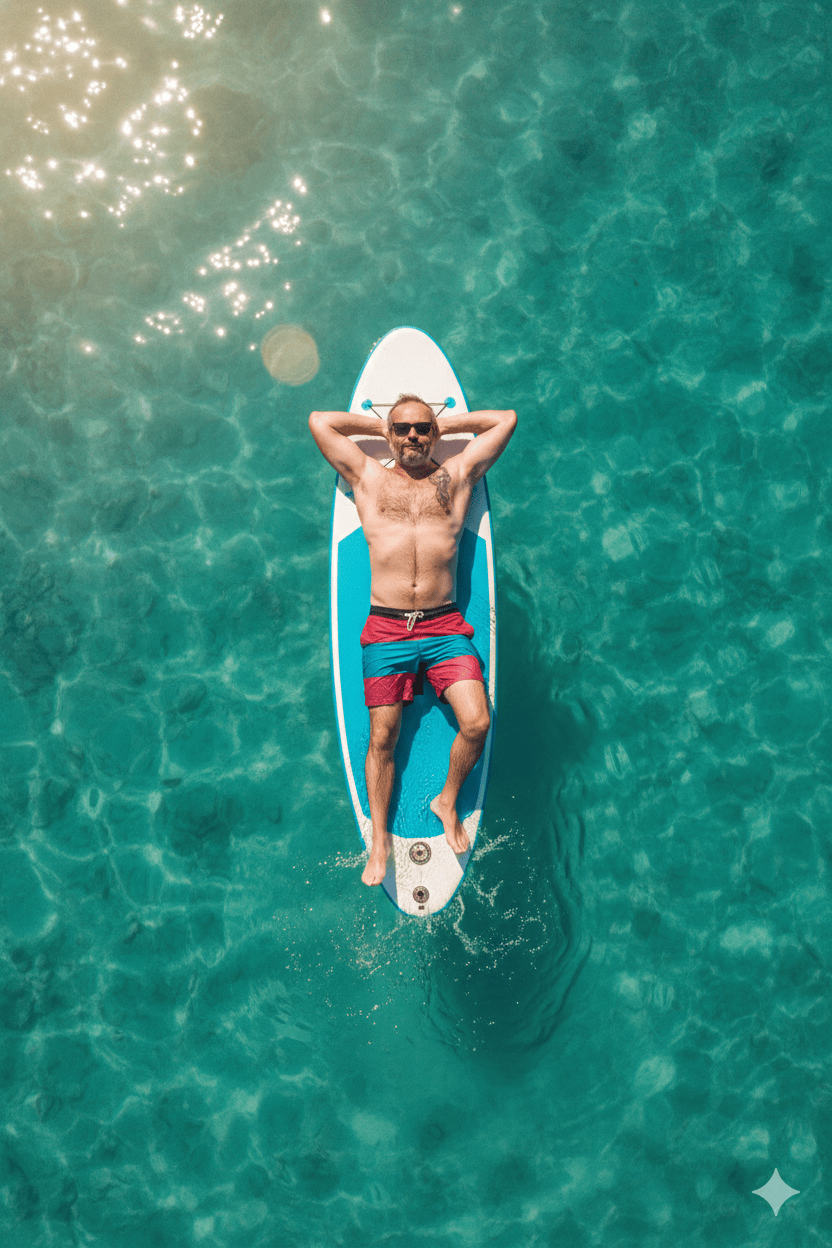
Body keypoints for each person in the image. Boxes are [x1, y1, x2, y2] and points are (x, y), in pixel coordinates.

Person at [309, 395, 517, 885]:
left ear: (435, 433)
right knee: (384, 736)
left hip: (445, 626)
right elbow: (320, 420)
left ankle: (446, 800)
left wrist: (444, 422)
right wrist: (378, 424)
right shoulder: (368, 478)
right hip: (387, 625)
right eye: (401, 429)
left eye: (422, 429)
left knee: (478, 722)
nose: (412, 438)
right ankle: (380, 839)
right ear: (389, 433)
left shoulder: (457, 476)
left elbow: (504, 420)